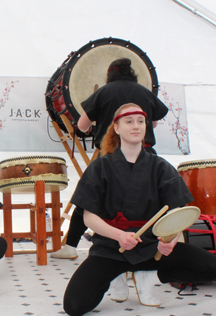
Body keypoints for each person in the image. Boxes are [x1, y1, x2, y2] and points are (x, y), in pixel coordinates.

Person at [62, 104, 216, 316]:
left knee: (213, 267)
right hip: (112, 248)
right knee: (74, 306)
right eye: (129, 121)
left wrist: (170, 241)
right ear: (117, 128)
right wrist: (119, 236)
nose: (136, 126)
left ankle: (151, 276)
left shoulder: (161, 166)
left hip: (152, 246)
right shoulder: (100, 167)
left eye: (140, 121)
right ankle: (115, 276)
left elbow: (176, 215)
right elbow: (89, 218)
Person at [52, 58, 169, 260]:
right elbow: (155, 124)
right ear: (132, 73)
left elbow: (81, 125)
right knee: (156, 199)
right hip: (146, 156)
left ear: (109, 75)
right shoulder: (144, 92)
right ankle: (156, 247)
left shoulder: (103, 92)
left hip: (112, 156)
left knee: (88, 198)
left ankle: (71, 246)